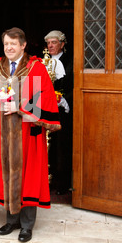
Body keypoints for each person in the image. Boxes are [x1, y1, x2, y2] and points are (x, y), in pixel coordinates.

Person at [0, 27, 61, 242]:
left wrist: (20, 108)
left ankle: (26, 225)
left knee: (29, 176)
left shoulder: (36, 68)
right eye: (6, 44)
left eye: (13, 44)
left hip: (27, 133)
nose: (9, 48)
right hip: (2, 132)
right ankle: (11, 220)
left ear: (23, 45)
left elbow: (45, 99)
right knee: (7, 172)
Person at [44, 30, 73, 195]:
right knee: (46, 145)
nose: (50, 46)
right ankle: (46, 179)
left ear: (62, 44)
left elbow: (74, 83)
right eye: (48, 43)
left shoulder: (70, 61)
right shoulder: (43, 61)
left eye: (54, 42)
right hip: (44, 109)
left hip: (62, 109)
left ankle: (61, 183)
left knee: (61, 145)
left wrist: (62, 98)